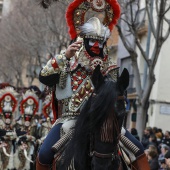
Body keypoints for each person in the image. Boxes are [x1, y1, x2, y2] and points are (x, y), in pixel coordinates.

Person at [36, 0, 150, 169]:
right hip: (71, 120)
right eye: (92, 41)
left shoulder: (110, 67)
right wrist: (64, 56)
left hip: (104, 120)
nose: (97, 46)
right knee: (45, 153)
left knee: (138, 149)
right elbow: (44, 77)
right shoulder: (69, 61)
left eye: (100, 42)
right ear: (84, 39)